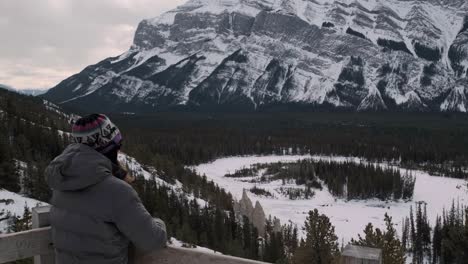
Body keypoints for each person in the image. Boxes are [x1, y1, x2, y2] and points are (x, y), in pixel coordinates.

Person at [45, 114, 167, 264]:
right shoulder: (117, 191)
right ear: (110, 147)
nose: (119, 151)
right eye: (117, 145)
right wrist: (158, 222)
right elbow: (154, 241)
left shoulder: (62, 182)